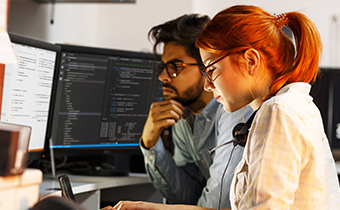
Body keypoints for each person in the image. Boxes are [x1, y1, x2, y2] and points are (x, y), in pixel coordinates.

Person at [102, 5, 340, 210]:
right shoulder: (291, 105)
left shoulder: (276, 112)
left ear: (250, 61)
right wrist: (148, 207)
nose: (207, 85)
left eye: (211, 69)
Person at [140, 14, 252, 208]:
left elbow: (219, 203)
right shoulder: (184, 117)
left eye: (174, 67)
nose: (162, 77)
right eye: (163, 67)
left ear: (206, 66)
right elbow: (186, 196)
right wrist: (150, 143)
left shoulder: (236, 109)